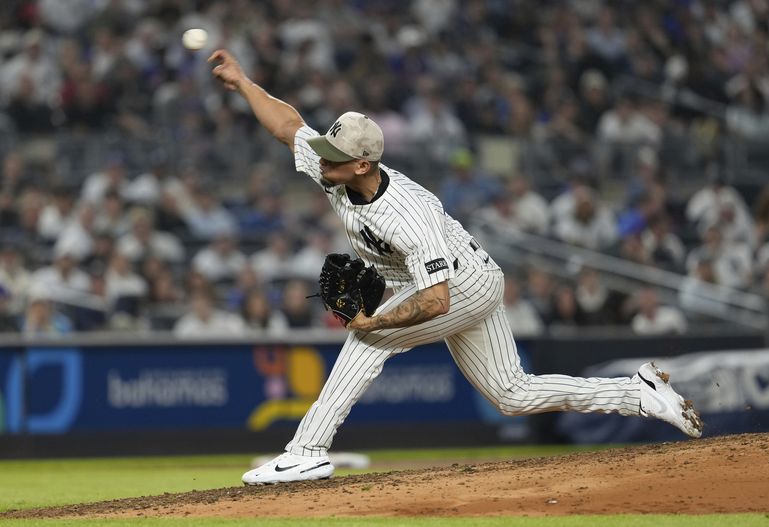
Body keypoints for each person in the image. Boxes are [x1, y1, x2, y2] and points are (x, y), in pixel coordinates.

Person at [208, 49, 703, 486]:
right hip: (463, 276)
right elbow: (288, 125)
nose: (323, 162)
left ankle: (306, 453)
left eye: (334, 158)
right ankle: (637, 394)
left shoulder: (405, 215)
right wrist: (243, 82)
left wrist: (375, 321)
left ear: (363, 165)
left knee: (365, 341)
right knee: (513, 394)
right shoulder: (337, 172)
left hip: (457, 284)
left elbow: (436, 301)